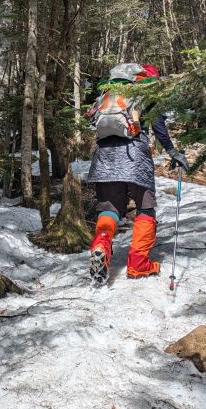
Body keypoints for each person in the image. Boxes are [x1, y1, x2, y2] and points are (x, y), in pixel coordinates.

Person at [85, 62, 188, 285]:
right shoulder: (144, 96)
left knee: (109, 209)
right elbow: (158, 127)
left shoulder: (108, 96)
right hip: (135, 157)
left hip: (104, 156)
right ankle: (138, 264)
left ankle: (101, 246)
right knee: (145, 208)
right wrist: (172, 151)